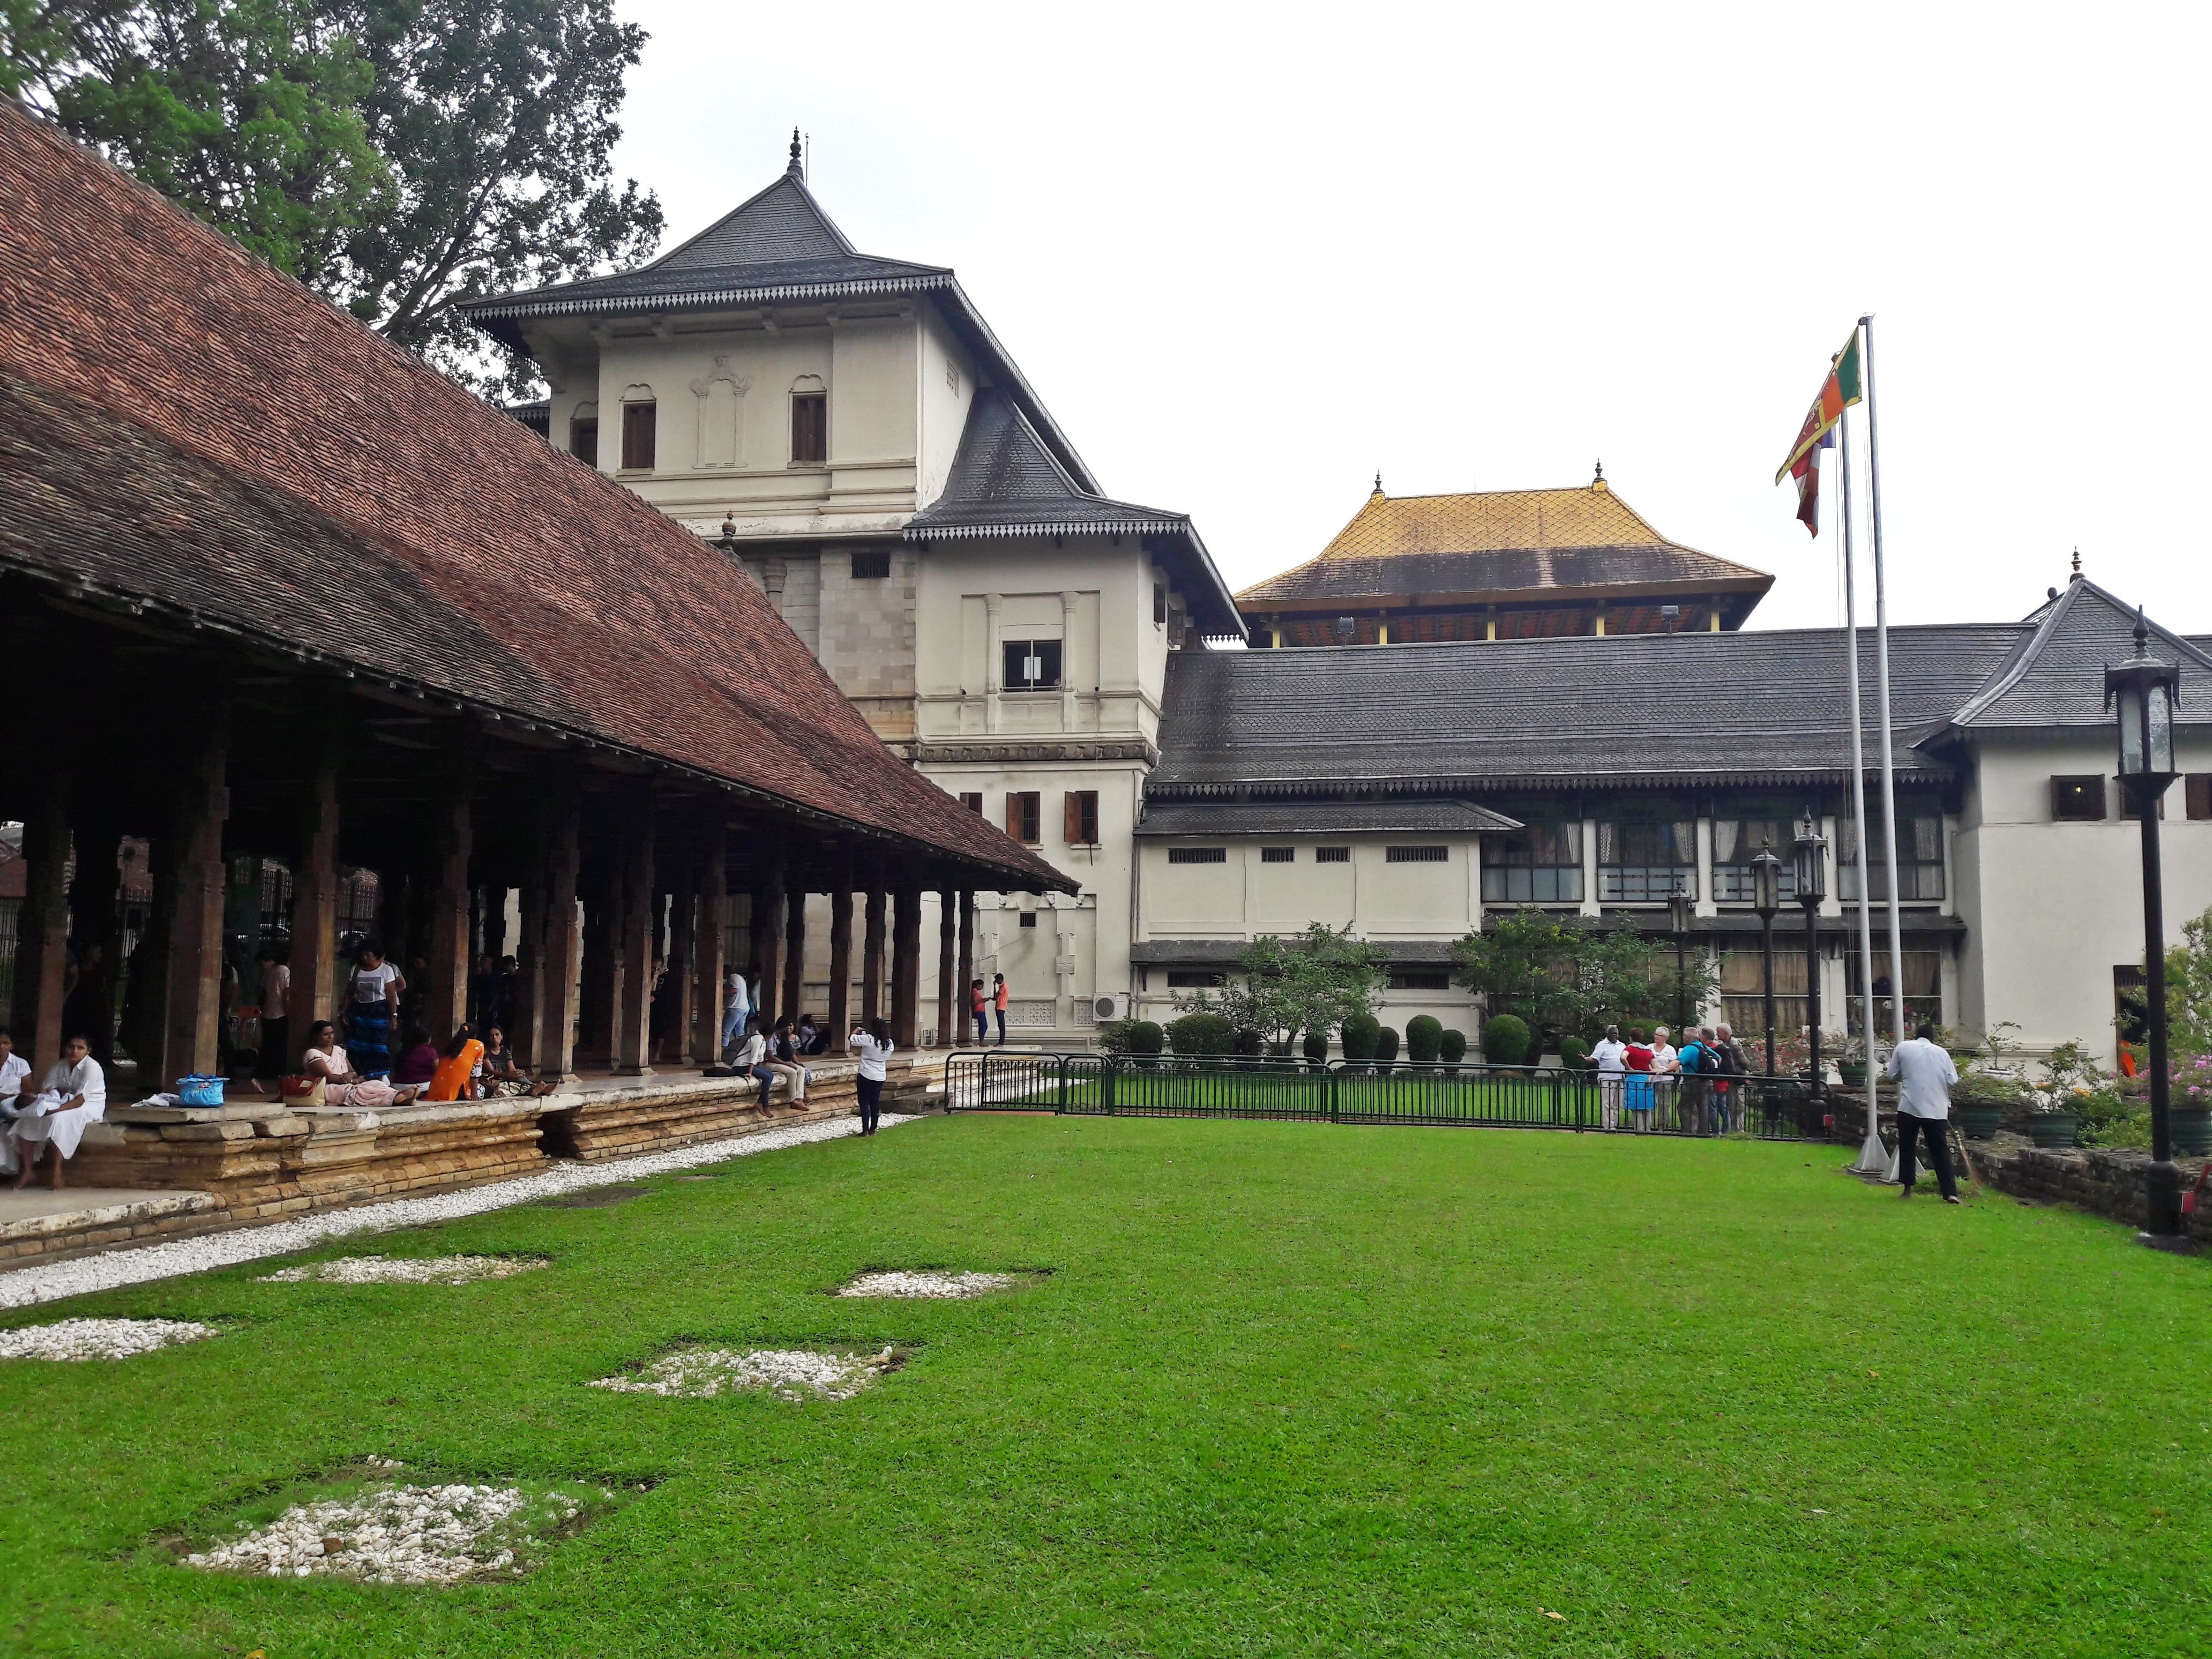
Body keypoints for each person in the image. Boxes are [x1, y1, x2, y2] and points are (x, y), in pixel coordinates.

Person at [10, 1033, 106, 1191]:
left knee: (58, 1120)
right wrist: (55, 1101)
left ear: (88, 1051)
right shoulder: (59, 1065)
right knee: (27, 1120)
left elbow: (80, 1100)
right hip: (61, 1101)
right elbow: (48, 1089)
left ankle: (57, 1171)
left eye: (80, 1048)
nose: (75, 1051)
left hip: (90, 1105)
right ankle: (28, 1171)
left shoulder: (92, 1068)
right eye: (71, 1047)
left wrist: (56, 1109)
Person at [1886, 1021, 1962, 1203]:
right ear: (1933, 1038)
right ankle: (1950, 1192)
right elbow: (1953, 1080)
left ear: (1915, 1035)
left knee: (1907, 1147)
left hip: (1909, 1106)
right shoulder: (1942, 1053)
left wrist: (1907, 1076)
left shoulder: (1903, 1047)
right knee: (1940, 1150)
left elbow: (1891, 1075)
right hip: (1936, 1109)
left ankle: (1907, 1189)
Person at [297, 1021, 419, 1108]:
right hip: (329, 1088)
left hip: (346, 1082)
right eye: (326, 1034)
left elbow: (353, 1071)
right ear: (315, 1037)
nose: (331, 1037)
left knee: (376, 1084)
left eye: (332, 1033)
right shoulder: (312, 1053)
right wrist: (353, 1081)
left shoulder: (339, 1050)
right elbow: (328, 1077)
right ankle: (398, 1098)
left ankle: (400, 1098)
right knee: (361, 1091)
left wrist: (351, 1076)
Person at [346, 944, 403, 1077]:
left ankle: (380, 1074)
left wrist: (394, 1016)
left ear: (377, 956)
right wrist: (344, 1010)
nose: (365, 958)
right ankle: (358, 1073)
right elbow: (349, 991)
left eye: (369, 955)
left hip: (379, 1012)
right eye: (363, 955)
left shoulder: (387, 970)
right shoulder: (356, 969)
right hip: (359, 1012)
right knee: (358, 1045)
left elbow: (391, 995)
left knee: (378, 1045)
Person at [848, 1017, 895, 1135]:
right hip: (879, 1075)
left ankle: (864, 1130)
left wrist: (857, 1030)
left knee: (864, 1102)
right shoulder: (890, 1044)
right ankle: (873, 1129)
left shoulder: (869, 1039)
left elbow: (851, 1038)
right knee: (875, 1102)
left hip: (865, 1073)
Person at [256, 945, 291, 1082]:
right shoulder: (285, 971)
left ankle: (265, 1071)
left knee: (268, 1045)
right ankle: (278, 1072)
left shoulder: (269, 972)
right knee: (280, 1046)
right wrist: (289, 1013)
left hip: (267, 1012)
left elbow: (262, 992)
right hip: (280, 1014)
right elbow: (286, 995)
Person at [425, 1025, 485, 1103]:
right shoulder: (478, 1045)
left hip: (436, 1092)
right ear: (475, 1035)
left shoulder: (452, 1043)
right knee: (487, 1089)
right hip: (458, 1091)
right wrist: (474, 1094)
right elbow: (475, 1073)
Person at [0, 1027, 31, 1176]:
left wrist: (7, 1097)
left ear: (11, 1045)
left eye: (6, 1043)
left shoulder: (21, 1064)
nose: (2, 1047)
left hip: (13, 1107)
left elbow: (27, 1093)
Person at [767, 1016, 812, 1107]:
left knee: (801, 1070)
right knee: (792, 1072)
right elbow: (770, 1056)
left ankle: (800, 1097)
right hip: (768, 1063)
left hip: (779, 1061)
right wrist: (786, 1064)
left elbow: (791, 1052)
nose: (788, 1029)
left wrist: (796, 1063)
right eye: (787, 1027)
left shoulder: (782, 1037)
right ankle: (793, 1099)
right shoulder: (772, 1037)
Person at [1590, 1025, 1627, 1130]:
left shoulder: (1622, 1045)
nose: (1616, 1035)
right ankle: (1609, 1126)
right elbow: (1594, 1058)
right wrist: (1586, 1058)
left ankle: (1615, 1124)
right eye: (1614, 1033)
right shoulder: (1602, 1045)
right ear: (1608, 1034)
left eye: (1617, 1033)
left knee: (1618, 1103)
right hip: (1607, 1078)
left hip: (1620, 1077)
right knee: (1608, 1103)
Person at [1676, 1027, 1708, 1134]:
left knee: (1684, 1107)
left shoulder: (1689, 1048)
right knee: (1702, 1107)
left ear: (1688, 1038)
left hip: (1692, 1081)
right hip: (1706, 1081)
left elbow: (1678, 1061)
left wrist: (1664, 1069)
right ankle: (1703, 1132)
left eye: (1684, 1037)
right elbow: (1718, 1058)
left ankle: (1688, 1132)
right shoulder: (1703, 1047)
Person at [1648, 1026, 1680, 1130]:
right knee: (1650, 1103)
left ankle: (1663, 1126)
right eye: (1655, 1034)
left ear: (1665, 1037)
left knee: (1664, 1104)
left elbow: (1675, 1065)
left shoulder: (1670, 1049)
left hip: (1665, 1080)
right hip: (1651, 1079)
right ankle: (1650, 1125)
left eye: (1659, 1035)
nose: (1656, 1037)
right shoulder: (1649, 1047)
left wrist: (1664, 1069)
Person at [1623, 1029, 1656, 1129]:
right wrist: (1650, 1077)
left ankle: (1639, 1130)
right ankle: (1648, 1129)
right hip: (1646, 1080)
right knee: (1647, 1107)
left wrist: (1629, 1068)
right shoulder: (1648, 1051)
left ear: (1631, 1038)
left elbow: (1623, 1057)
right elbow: (1656, 1067)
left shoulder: (1629, 1048)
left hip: (1634, 1079)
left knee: (1636, 1108)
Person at [390, 1025, 440, 1089]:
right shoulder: (430, 1051)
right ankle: (416, 1093)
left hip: (398, 1086)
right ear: (428, 1039)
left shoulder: (403, 1050)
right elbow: (438, 1070)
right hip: (419, 1085)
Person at [721, 967, 753, 1063]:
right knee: (740, 1034)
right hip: (744, 1008)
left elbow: (735, 990)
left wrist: (721, 993)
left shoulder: (733, 977)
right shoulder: (740, 978)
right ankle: (741, 1055)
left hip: (735, 1008)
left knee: (725, 1033)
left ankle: (721, 1055)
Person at [969, 978, 988, 1045]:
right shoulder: (975, 992)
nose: (982, 988)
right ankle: (982, 1041)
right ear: (978, 985)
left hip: (981, 1010)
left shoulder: (976, 992)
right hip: (979, 1010)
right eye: (982, 986)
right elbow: (975, 1002)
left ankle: (982, 1040)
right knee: (984, 1025)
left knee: (983, 1025)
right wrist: (984, 1000)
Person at [993, 973, 1010, 1045]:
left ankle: (1001, 1042)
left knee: (1001, 1025)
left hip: (1001, 1007)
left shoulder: (1003, 987)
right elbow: (995, 997)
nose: (996, 981)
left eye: (997, 980)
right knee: (1001, 1025)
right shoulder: (1001, 987)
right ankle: (1001, 1041)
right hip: (999, 1007)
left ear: (1000, 979)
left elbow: (996, 997)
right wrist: (995, 987)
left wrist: (994, 986)